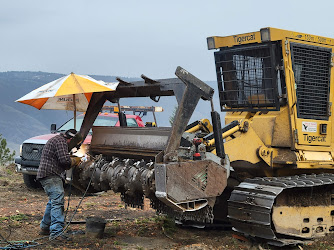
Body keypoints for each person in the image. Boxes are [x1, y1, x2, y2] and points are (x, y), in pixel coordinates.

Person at [36, 129, 81, 240]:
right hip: (51, 174)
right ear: (71, 139)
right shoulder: (61, 141)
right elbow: (64, 161)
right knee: (57, 201)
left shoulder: (56, 139)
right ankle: (56, 233)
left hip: (47, 174)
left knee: (53, 201)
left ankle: (45, 227)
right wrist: (76, 160)